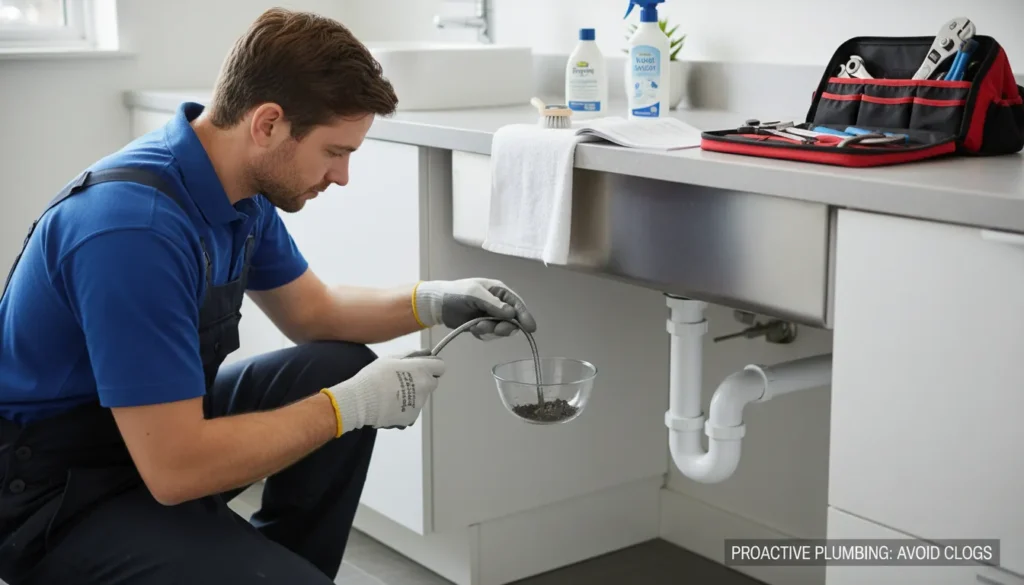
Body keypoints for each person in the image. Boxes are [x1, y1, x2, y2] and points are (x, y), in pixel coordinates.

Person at [0, 8, 536, 585]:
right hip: (53, 494)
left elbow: (314, 313)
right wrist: (349, 408)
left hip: (147, 436)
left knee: (338, 365)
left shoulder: (236, 189)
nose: (342, 176)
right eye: (335, 151)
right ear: (268, 124)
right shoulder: (135, 231)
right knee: (341, 395)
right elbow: (175, 470)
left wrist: (435, 300)